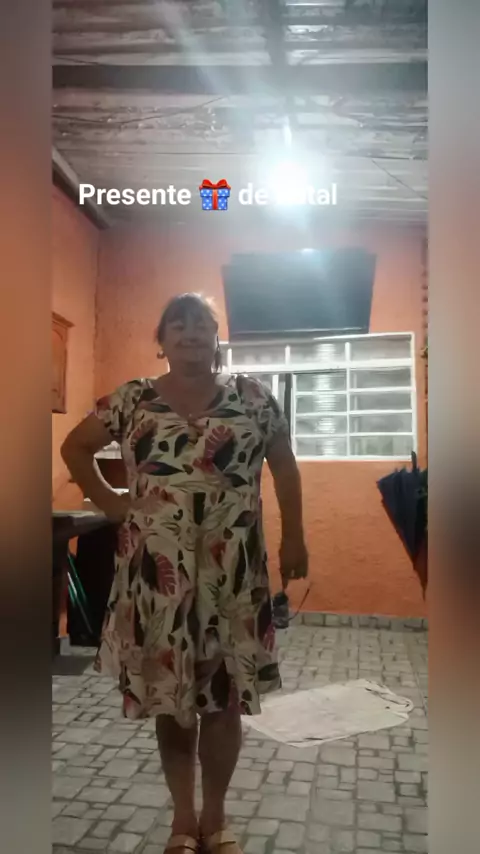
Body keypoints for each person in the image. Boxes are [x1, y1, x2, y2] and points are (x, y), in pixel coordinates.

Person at [61, 293, 308, 854]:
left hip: (232, 572)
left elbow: (285, 465)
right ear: (163, 338)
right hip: (157, 573)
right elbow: (75, 447)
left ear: (216, 336)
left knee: (223, 698)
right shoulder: (132, 398)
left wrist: (295, 536)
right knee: (172, 699)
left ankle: (215, 819)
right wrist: (111, 502)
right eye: (179, 324)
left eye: (202, 324)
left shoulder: (253, 397)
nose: (191, 333)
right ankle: (182, 819)